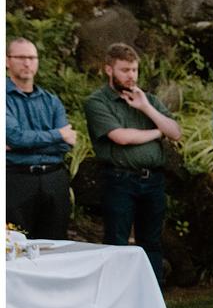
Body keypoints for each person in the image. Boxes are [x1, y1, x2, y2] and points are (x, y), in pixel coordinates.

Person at [83, 42, 182, 284]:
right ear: (109, 70)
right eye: (125, 70)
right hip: (119, 180)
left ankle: (154, 301)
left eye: (135, 70)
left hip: (153, 180)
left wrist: (146, 108)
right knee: (116, 243)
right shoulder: (97, 102)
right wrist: (157, 133)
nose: (131, 76)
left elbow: (175, 131)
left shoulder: (146, 99)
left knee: (152, 242)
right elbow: (121, 137)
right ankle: (116, 302)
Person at [6, 38, 76, 239]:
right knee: (16, 247)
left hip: (54, 180)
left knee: (55, 246)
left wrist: (22, 144)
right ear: (7, 61)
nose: (27, 63)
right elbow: (16, 137)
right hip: (16, 180)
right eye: (21, 57)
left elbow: (66, 144)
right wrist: (57, 134)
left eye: (32, 58)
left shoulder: (51, 100)